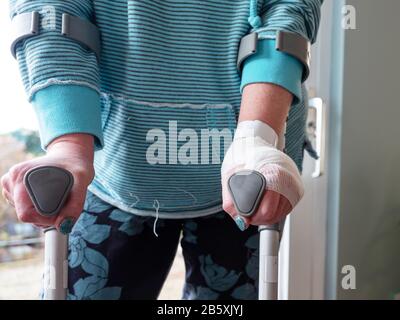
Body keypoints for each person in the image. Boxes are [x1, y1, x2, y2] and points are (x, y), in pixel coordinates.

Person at [1, 0, 323, 300]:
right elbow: (51, 15)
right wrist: (68, 145)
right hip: (114, 166)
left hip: (250, 164)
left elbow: (285, 16)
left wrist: (257, 136)